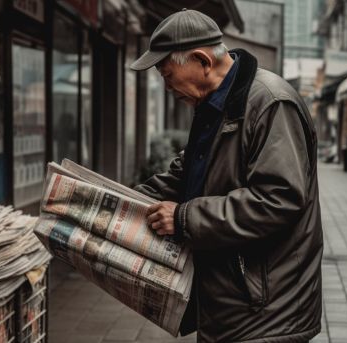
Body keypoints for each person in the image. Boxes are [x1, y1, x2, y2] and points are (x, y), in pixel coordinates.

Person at [131, 9, 323, 343]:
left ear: (202, 60)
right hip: (230, 301)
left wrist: (183, 217)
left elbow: (279, 199)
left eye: (167, 74)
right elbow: (188, 171)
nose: (166, 86)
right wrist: (117, 200)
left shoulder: (270, 102)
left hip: (265, 310)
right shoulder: (214, 105)